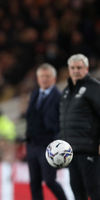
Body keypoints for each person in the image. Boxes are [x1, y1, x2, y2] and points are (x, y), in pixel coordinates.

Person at [59, 54, 100, 200]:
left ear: (87, 69)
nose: (76, 70)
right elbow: (65, 121)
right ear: (69, 69)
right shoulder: (66, 91)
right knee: (77, 191)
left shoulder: (94, 88)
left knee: (94, 191)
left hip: (89, 150)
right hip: (71, 153)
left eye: (79, 67)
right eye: (73, 68)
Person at [25, 63, 67, 200]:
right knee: (34, 183)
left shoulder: (59, 97)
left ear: (54, 79)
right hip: (32, 145)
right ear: (38, 78)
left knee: (49, 180)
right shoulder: (35, 94)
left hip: (48, 145)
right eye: (42, 76)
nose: (44, 79)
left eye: (47, 76)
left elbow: (62, 122)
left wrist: (57, 144)